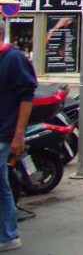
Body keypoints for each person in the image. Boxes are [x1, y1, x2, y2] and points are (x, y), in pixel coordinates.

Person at [1, 24, 37, 252]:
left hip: (4, 132)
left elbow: (27, 95)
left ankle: (9, 235)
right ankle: (8, 234)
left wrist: (19, 134)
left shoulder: (13, 58)